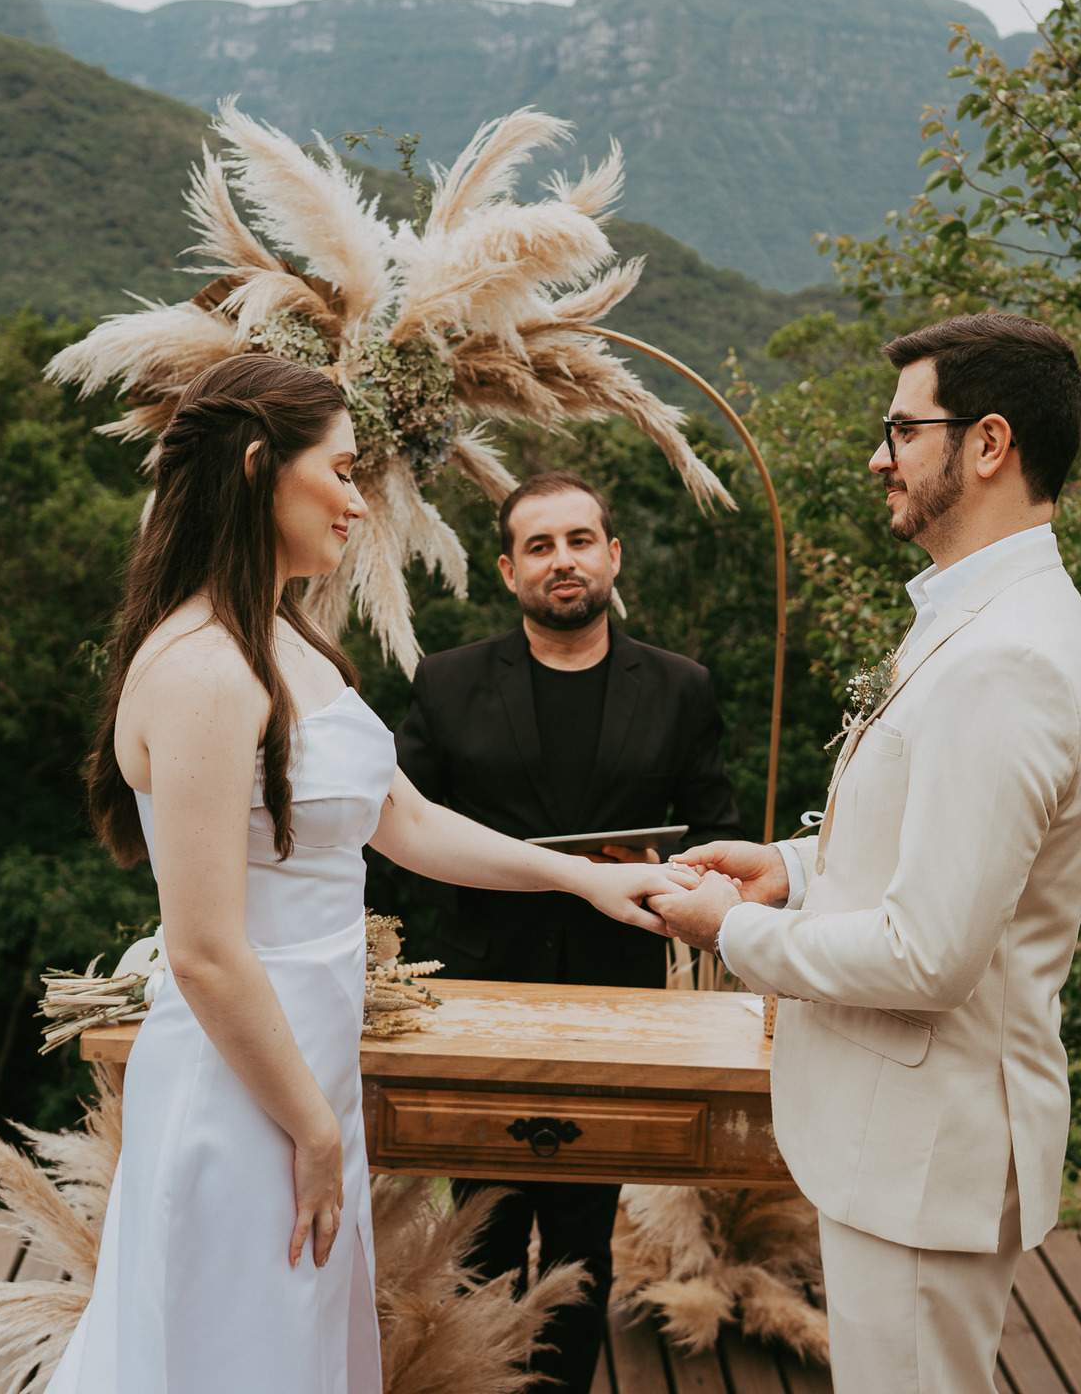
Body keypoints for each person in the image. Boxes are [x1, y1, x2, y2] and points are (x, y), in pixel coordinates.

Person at [49, 358, 689, 1394]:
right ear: (261, 469)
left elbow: (408, 821)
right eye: (342, 471)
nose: (358, 500)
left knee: (295, 1344)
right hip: (242, 1083)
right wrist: (309, 1128)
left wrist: (582, 882)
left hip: (308, 1061)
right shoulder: (205, 667)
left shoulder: (288, 640)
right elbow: (207, 952)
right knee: (235, 1350)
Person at [650, 314, 1081, 1394]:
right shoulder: (983, 614)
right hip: (909, 1144)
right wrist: (793, 869)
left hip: (927, 1152)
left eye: (902, 429)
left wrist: (734, 929)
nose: (878, 454)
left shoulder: (1007, 657)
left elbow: (928, 957)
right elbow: (940, 843)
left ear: (988, 443)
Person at [389, 469, 743, 1394]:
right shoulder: (447, 681)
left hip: (614, 995)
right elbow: (391, 837)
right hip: (477, 993)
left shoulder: (679, 688)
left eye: (580, 540)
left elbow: (713, 835)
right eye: (540, 546)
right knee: (481, 1226)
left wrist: (666, 882)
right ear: (509, 570)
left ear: (612, 555)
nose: (563, 561)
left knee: (585, 1234)